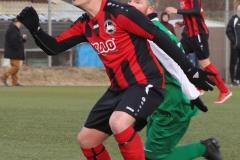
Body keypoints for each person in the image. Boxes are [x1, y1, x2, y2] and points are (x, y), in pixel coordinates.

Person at [17, 0, 216, 159]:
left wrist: (191, 71)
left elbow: (160, 37)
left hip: (146, 83)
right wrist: (36, 30)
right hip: (117, 90)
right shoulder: (84, 23)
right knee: (86, 140)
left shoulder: (121, 12)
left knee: (118, 122)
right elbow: (54, 47)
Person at [128, 0, 222, 160]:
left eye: (137, 2)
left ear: (150, 8)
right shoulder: (151, 29)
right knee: (148, 153)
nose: (130, 4)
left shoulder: (152, 33)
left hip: (172, 105)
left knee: (156, 157)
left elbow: (175, 65)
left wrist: (191, 94)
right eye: (129, 0)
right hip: (161, 102)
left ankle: (205, 148)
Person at [166, 0, 232, 103]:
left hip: (198, 34)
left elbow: (196, 10)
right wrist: (184, 23)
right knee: (177, 57)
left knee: (205, 64)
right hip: (188, 35)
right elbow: (191, 14)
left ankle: (224, 90)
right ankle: (196, 86)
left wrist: (176, 11)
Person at [1, 18, 27, 86]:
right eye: (19, 23)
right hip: (14, 51)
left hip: (14, 51)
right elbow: (13, 41)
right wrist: (17, 48)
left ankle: (15, 82)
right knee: (16, 67)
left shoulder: (14, 29)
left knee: (15, 67)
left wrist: (22, 39)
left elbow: (17, 39)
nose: (20, 24)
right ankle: (4, 76)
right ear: (15, 23)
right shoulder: (13, 30)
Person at [226, 5, 240, 86]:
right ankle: (232, 80)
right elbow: (228, 31)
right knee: (233, 62)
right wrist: (234, 41)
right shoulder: (233, 19)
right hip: (235, 46)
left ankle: (238, 79)